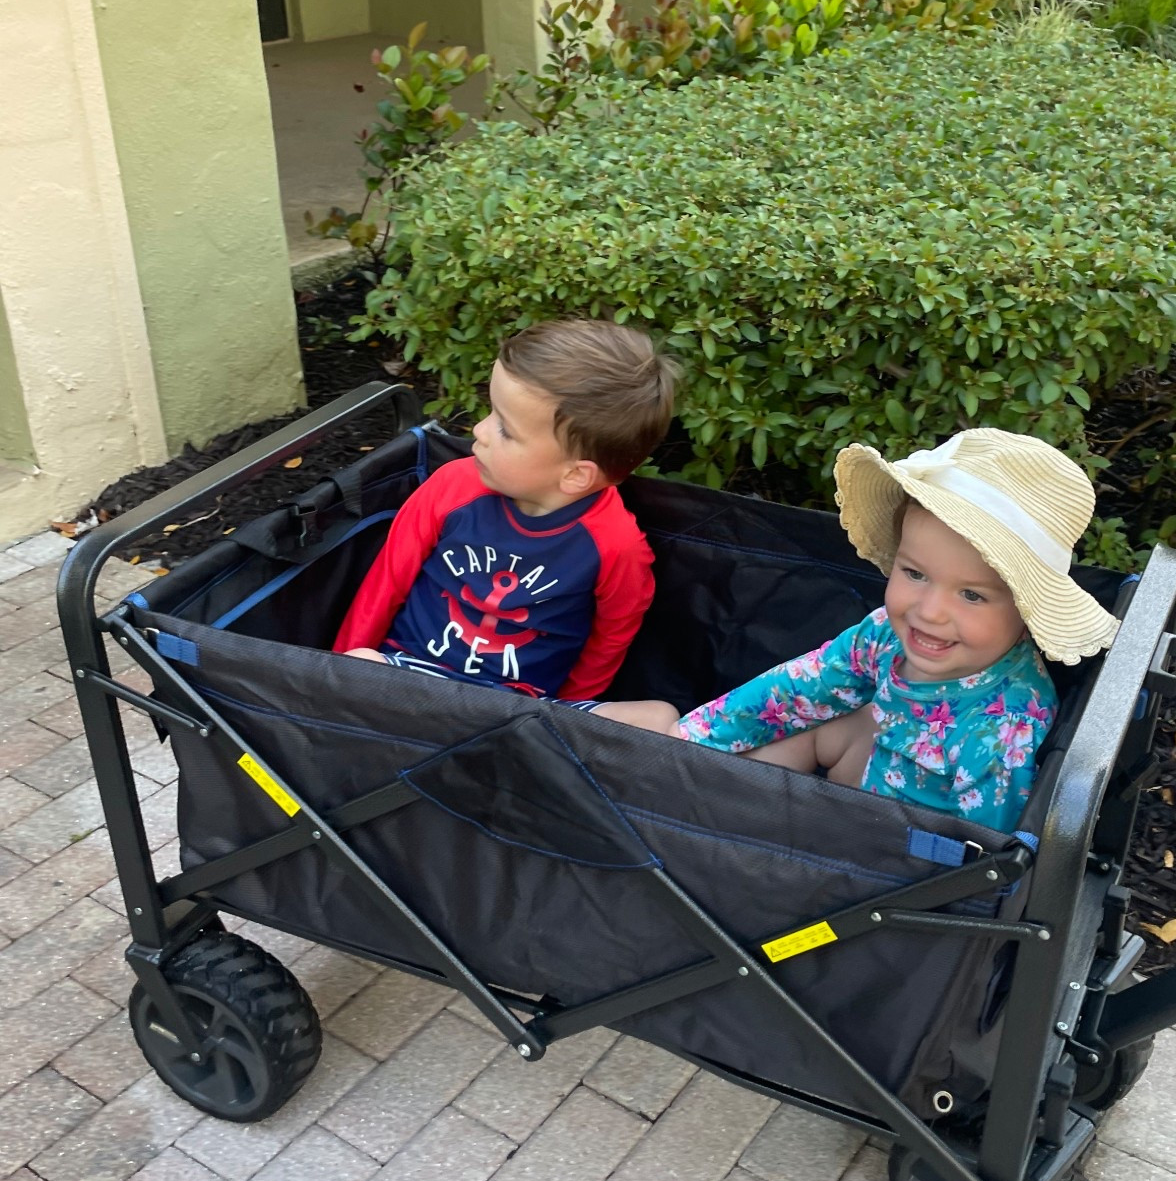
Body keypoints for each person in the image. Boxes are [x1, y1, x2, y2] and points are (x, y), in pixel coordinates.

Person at [673, 429, 1122, 833]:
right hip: (866, 770)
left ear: (1028, 609)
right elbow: (795, 690)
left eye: (971, 595)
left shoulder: (1001, 732)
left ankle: (726, 834)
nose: (929, 612)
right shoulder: (885, 633)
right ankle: (687, 799)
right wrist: (685, 743)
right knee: (804, 721)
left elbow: (980, 859)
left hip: (886, 852)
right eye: (915, 574)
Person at [334, 318, 678, 714]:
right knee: (359, 663)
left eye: (505, 429)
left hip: (520, 711)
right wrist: (338, 666)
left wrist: (564, 714)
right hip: (412, 674)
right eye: (490, 413)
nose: (479, 430)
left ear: (575, 475)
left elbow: (611, 639)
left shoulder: (615, 546)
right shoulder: (452, 487)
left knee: (659, 715)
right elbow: (387, 582)